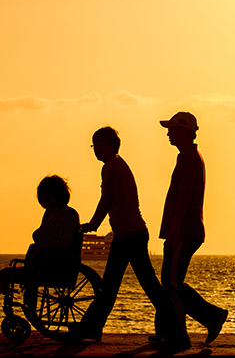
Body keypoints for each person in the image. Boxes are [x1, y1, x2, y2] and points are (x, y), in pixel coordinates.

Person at [77, 127, 188, 351]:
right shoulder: (112, 166)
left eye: (96, 146)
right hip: (126, 235)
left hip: (132, 236)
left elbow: (108, 199)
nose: (94, 151)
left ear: (109, 146)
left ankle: (177, 334)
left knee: (146, 287)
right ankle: (92, 327)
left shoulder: (114, 169)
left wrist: (94, 224)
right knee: (112, 286)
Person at [0, 175, 81, 322]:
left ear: (59, 193)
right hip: (41, 264)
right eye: (43, 192)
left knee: (6, 273)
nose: (45, 196)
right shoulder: (48, 214)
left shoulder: (68, 214)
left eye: (49, 192)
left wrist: (42, 247)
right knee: (8, 273)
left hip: (57, 267)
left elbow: (65, 243)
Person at [157, 112, 228, 345]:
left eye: (172, 129)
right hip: (184, 230)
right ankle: (175, 330)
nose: (168, 133)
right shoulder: (187, 156)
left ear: (184, 131)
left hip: (185, 231)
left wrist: (175, 230)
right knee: (170, 282)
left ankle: (183, 333)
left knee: (172, 285)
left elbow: (184, 195)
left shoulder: (188, 157)